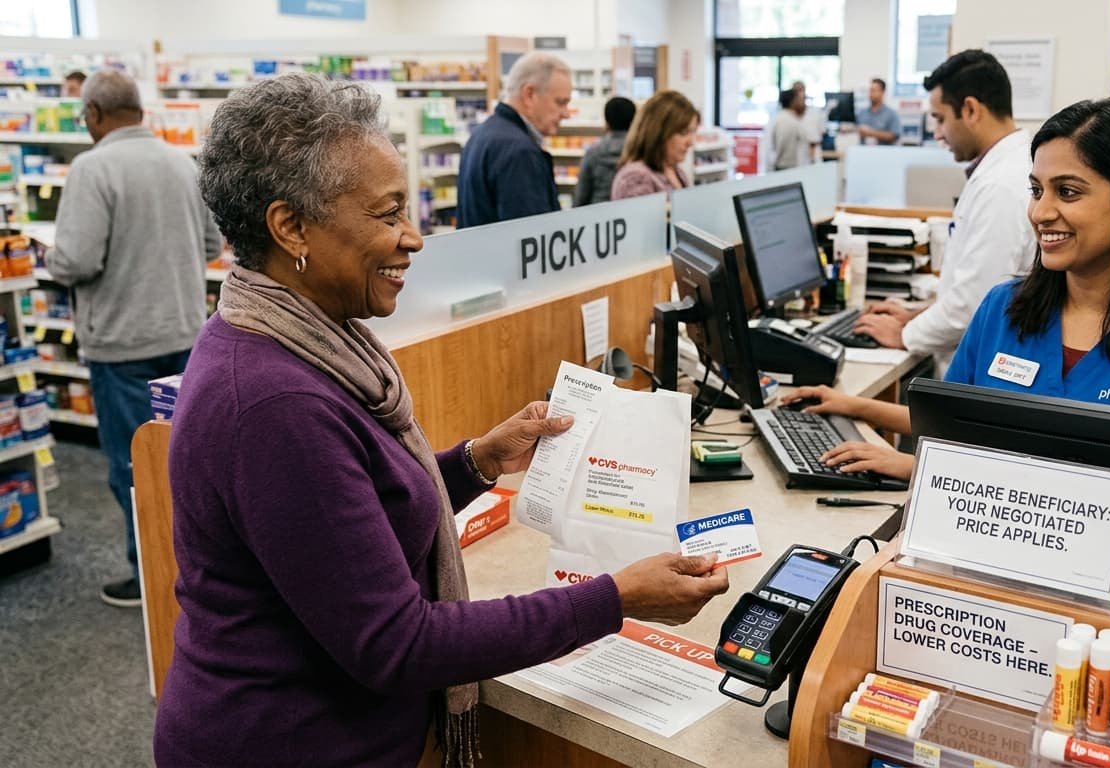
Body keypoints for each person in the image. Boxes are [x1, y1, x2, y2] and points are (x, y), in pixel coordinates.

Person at [154, 72, 727, 768]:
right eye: (388, 214)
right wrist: (615, 598)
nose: (413, 239)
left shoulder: (308, 340)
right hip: (283, 743)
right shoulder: (276, 403)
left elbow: (352, 520)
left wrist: (477, 461)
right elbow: (399, 644)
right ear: (290, 226)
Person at [786, 98, 1110, 481]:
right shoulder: (1003, 311)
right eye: (1036, 190)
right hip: (978, 570)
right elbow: (956, 431)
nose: (1040, 212)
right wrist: (854, 408)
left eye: (1067, 192)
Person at [46, 69, 221, 608]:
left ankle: (148, 578)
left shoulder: (92, 169)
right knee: (187, 460)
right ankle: (198, 569)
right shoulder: (180, 162)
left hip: (122, 346)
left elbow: (76, 259)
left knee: (131, 466)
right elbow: (214, 241)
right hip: (187, 336)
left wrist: (47, 257)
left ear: (95, 115)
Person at [853, 50, 1035, 373]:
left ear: (970, 109)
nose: (937, 133)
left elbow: (972, 305)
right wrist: (917, 313)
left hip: (978, 371)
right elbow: (970, 288)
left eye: (939, 119)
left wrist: (904, 333)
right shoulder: (1002, 170)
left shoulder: (1000, 186)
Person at [456, 52, 572, 228]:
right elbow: (532, 239)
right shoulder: (520, 152)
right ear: (529, 95)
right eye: (560, 102)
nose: (566, 114)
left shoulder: (483, 133)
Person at [610, 90, 699, 199]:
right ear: (658, 132)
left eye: (693, 131)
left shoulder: (677, 172)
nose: (690, 142)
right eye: (683, 133)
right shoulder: (635, 178)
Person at [573, 96, 636, 207]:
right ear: (634, 121)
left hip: (598, 218)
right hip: (631, 215)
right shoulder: (641, 152)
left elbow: (581, 197)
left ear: (607, 122)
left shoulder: (593, 153)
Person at [769, 84, 810, 171]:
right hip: (787, 171)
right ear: (793, 102)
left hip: (784, 170)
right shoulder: (790, 122)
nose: (804, 104)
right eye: (801, 100)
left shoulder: (779, 119)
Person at [855, 77, 901, 145]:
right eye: (870, 90)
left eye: (873, 90)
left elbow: (894, 135)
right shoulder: (862, 113)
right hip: (864, 152)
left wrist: (870, 133)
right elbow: (853, 127)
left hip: (883, 153)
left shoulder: (891, 114)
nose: (870, 93)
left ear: (882, 92)